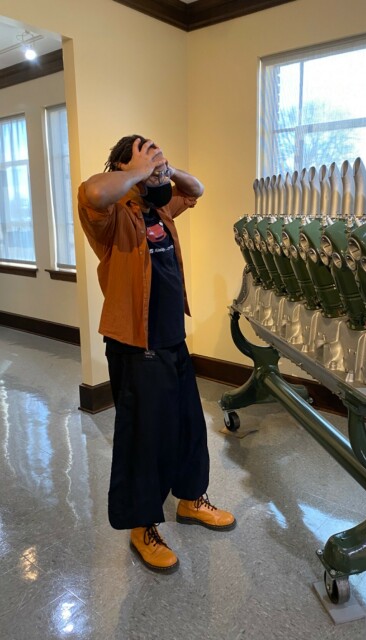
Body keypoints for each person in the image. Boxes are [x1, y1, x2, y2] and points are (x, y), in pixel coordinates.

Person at [78, 135, 236, 573]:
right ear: (123, 170)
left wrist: (163, 170)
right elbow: (92, 191)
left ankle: (190, 499)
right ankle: (141, 525)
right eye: (145, 164)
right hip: (134, 344)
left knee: (188, 425)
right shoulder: (110, 219)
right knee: (144, 438)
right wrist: (137, 172)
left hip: (172, 339)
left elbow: (195, 190)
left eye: (156, 162)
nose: (155, 170)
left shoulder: (159, 208)